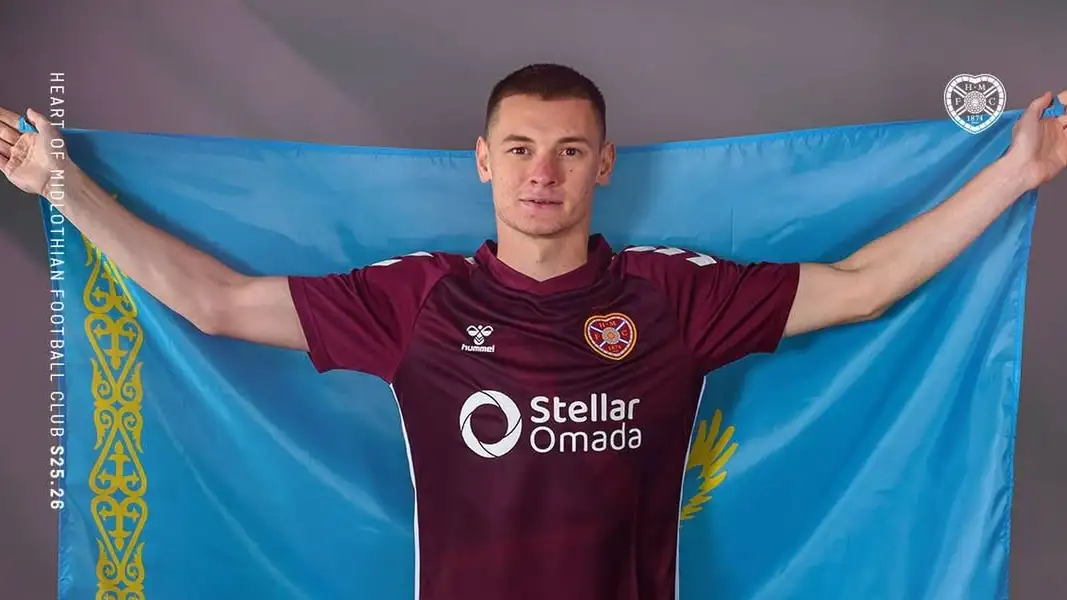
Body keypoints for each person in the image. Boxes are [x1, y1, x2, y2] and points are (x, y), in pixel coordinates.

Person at [1, 63, 1065, 600]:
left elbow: (862, 286)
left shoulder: (670, 296)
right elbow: (217, 301)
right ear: (482, 162)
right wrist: (63, 189)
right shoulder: (417, 301)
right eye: (517, 148)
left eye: (567, 150)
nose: (541, 172)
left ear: (604, 165)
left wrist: (1014, 172)